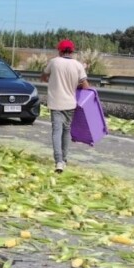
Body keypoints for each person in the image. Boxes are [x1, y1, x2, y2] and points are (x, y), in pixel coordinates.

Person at [40, 39, 90, 173]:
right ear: (72, 51)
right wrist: (74, 84)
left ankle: (58, 161)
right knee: (66, 131)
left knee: (57, 132)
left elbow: (43, 77)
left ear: (60, 50)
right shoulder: (78, 65)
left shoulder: (54, 62)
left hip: (55, 103)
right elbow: (85, 86)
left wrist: (53, 80)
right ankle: (65, 159)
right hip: (70, 104)